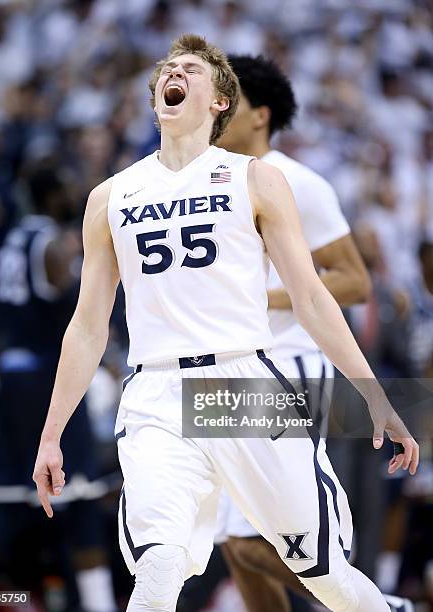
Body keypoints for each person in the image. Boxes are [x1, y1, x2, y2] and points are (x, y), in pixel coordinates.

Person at [33, 34, 418, 612]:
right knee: (160, 566)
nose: (175, 72)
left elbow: (313, 298)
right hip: (157, 391)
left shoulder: (256, 179)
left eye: (190, 68)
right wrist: (52, 430)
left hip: (244, 383)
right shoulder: (110, 197)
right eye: (168, 68)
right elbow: (88, 324)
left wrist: (376, 395)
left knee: (324, 573)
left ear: (219, 102)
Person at [216, 54, 414, 612]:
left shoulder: (297, 181)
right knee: (232, 547)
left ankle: (375, 605)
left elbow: (353, 280)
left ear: (261, 115)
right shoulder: (213, 181)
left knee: (251, 541)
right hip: (235, 371)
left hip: (290, 366)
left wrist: (264, 299)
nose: (217, 114)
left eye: (229, 105)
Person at [0, 167, 117, 612]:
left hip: (12, 378)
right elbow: (80, 309)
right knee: (83, 504)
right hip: (50, 381)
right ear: (53, 196)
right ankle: (100, 604)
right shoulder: (51, 243)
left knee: (7, 508)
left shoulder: (11, 238)